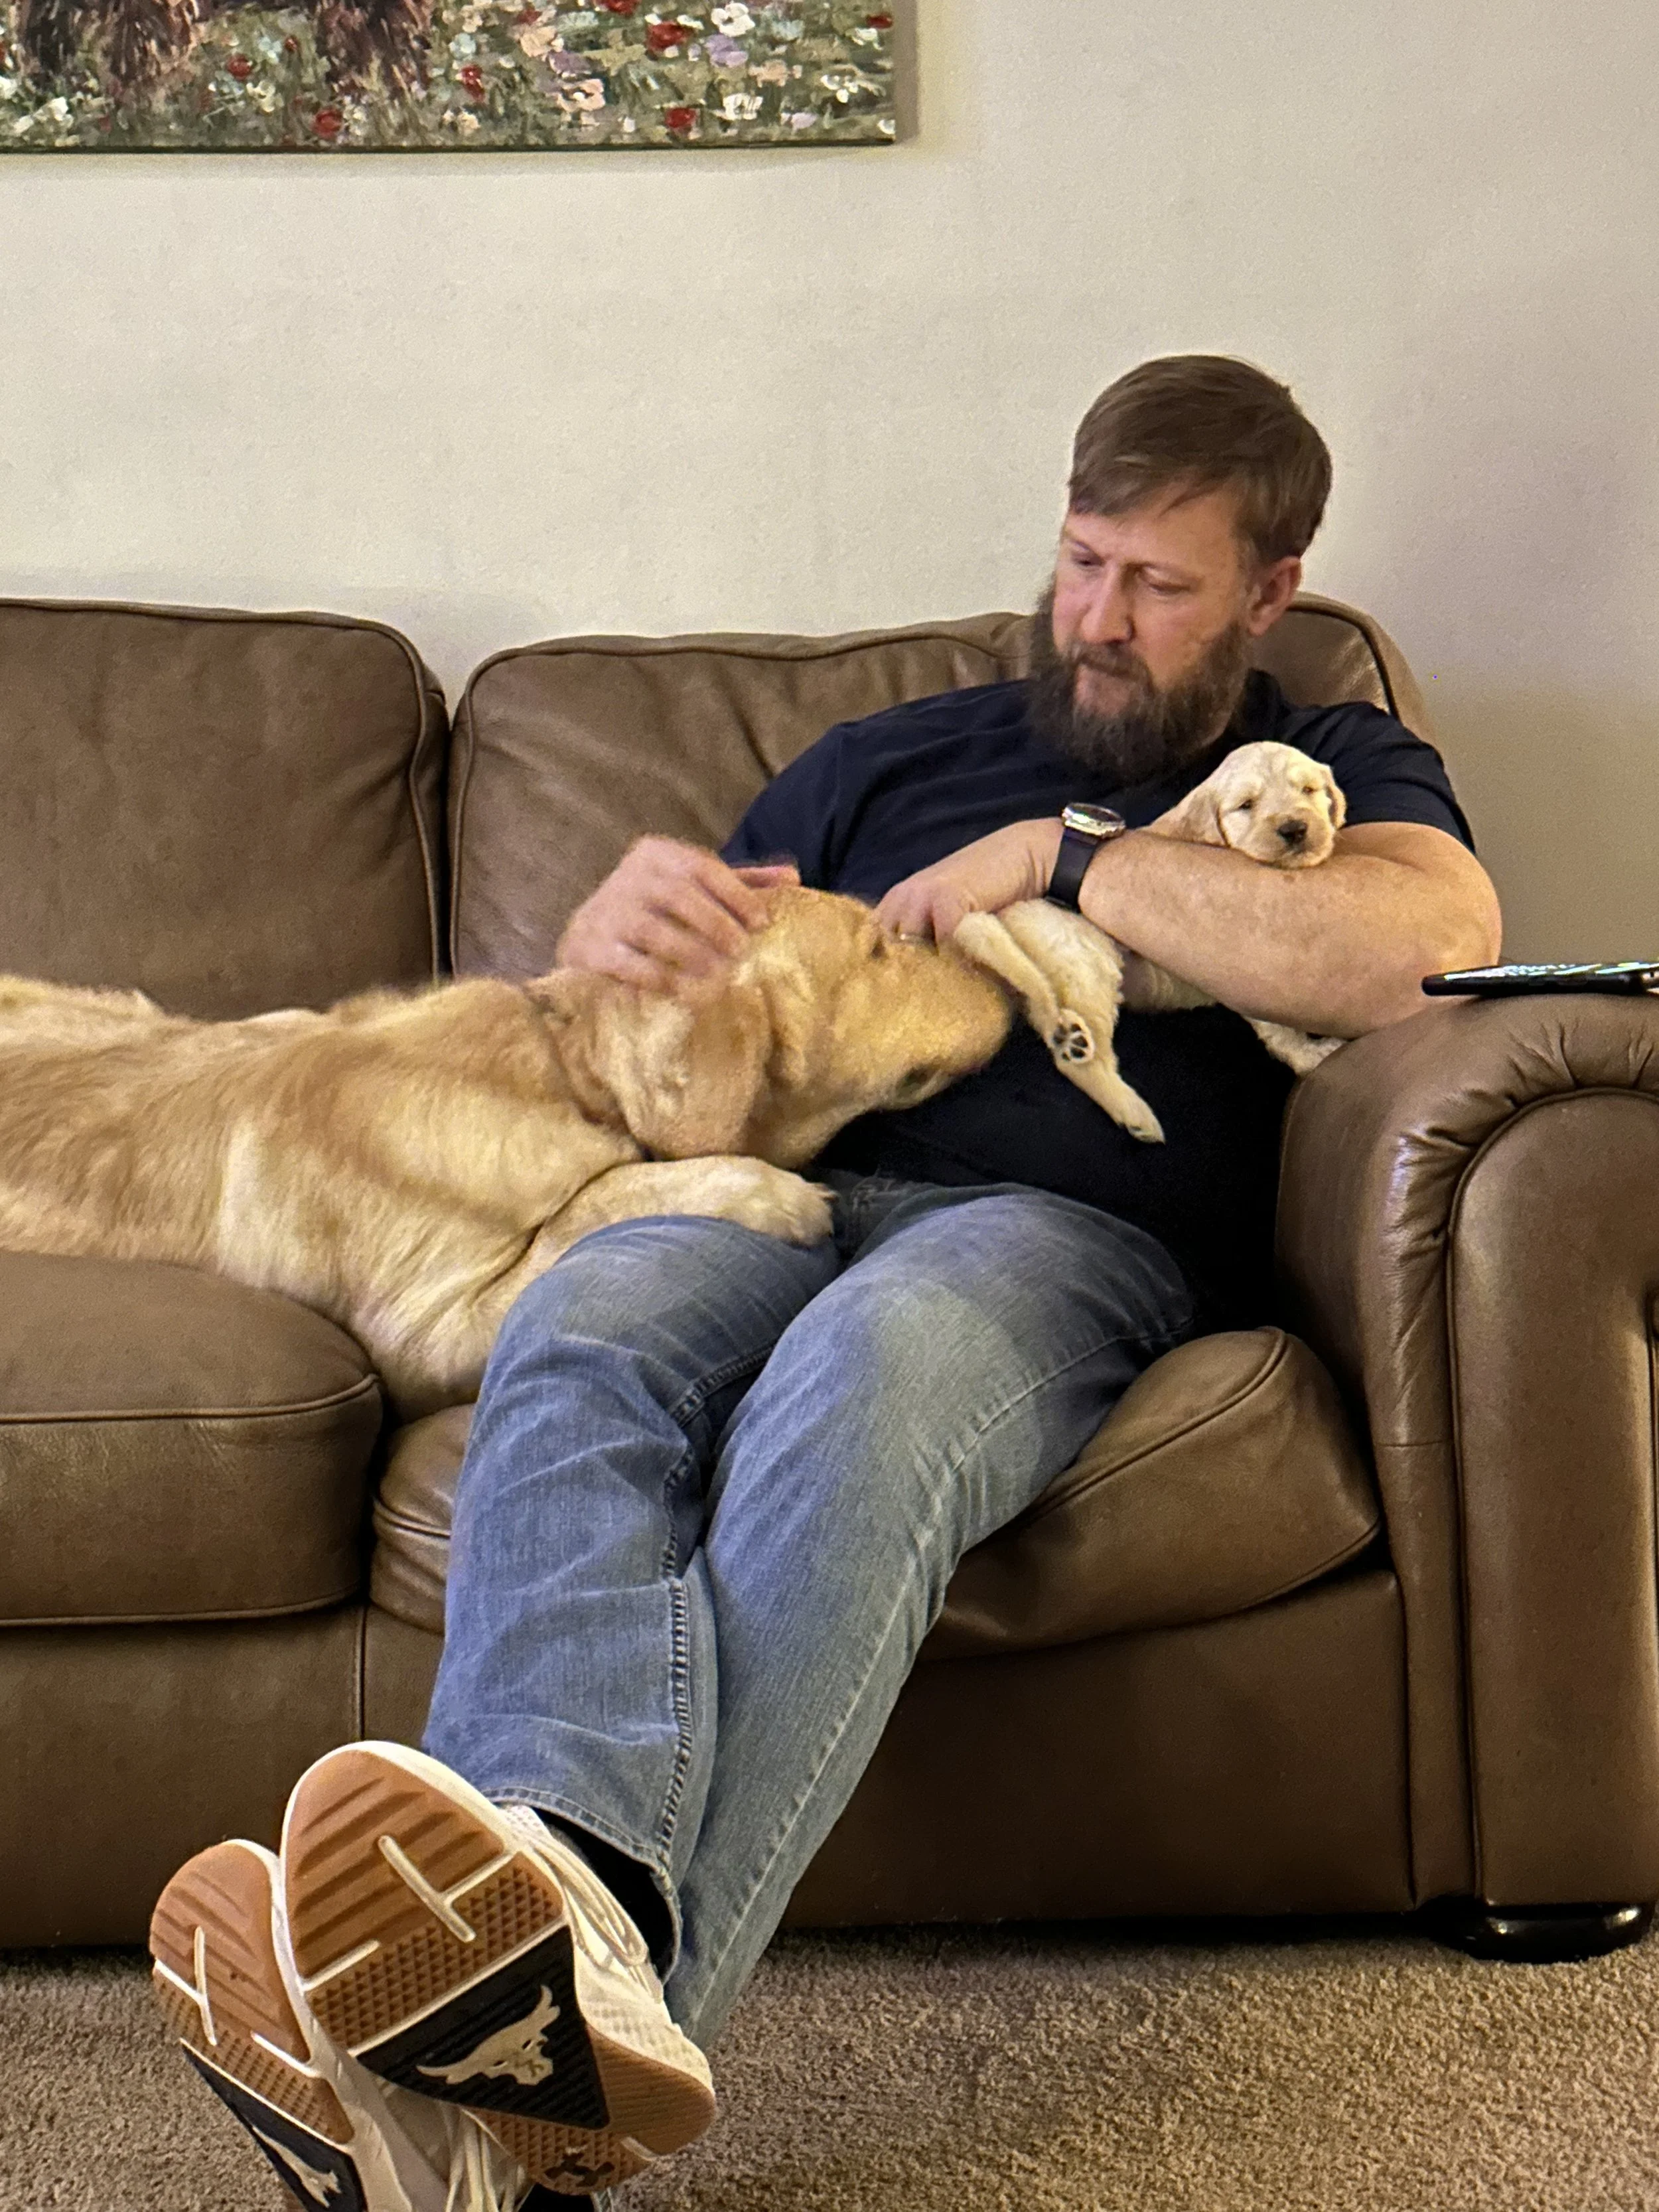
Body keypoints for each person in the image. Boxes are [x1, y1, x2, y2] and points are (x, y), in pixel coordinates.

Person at [151, 356, 1501, 2212]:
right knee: (579, 1330)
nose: (1096, 620)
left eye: (1157, 585)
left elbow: (1428, 950)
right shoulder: (887, 758)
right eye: (1081, 561)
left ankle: (516, 2059)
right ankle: (515, 2010)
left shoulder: (1326, 762)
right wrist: (610, 948)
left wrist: (1068, 861)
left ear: (1270, 593)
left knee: (863, 1380)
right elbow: (681, 1015)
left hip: (1052, 1231)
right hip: (760, 1189)